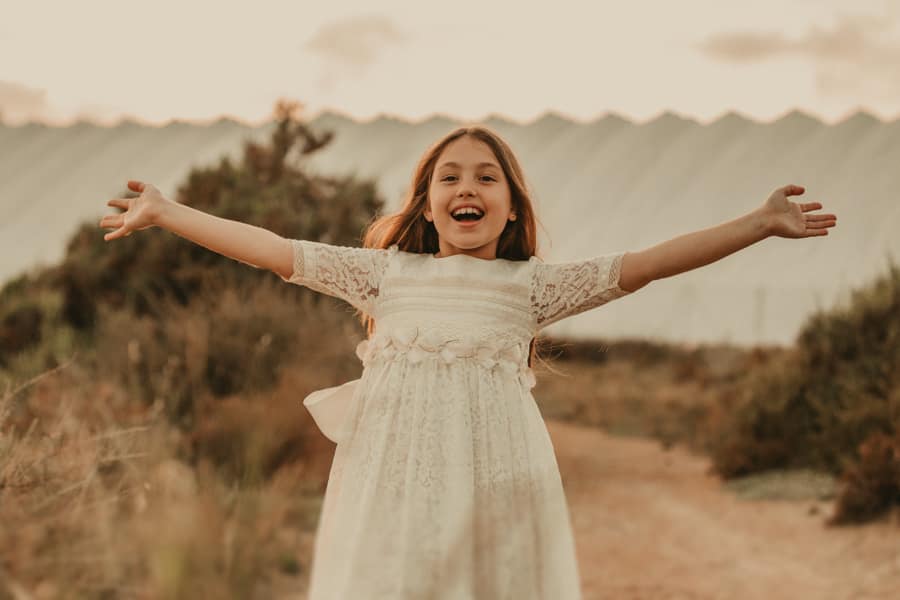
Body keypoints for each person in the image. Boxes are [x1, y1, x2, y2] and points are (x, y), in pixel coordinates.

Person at [99, 125, 837, 599]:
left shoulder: (535, 287)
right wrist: (168, 212)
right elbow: (273, 249)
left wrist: (759, 223)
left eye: (487, 177)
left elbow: (644, 266)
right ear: (426, 206)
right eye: (449, 176)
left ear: (512, 207)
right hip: (394, 473)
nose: (467, 187)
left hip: (495, 472)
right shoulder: (382, 274)